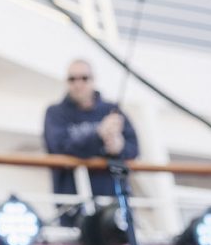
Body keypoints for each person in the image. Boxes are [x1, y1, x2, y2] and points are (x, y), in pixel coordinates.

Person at [44, 59, 140, 223]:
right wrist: (98, 134)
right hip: (71, 206)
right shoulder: (55, 113)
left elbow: (133, 149)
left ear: (93, 80)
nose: (78, 84)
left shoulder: (113, 111)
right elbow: (59, 146)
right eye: (72, 79)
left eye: (84, 78)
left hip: (114, 203)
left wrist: (119, 147)